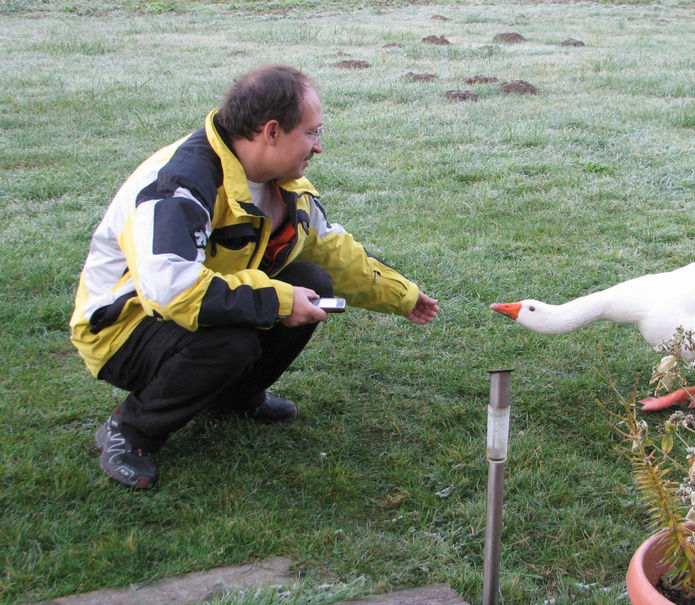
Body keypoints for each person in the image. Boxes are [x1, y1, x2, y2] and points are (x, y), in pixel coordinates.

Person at [70, 64, 440, 490]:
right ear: (271, 131)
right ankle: (131, 431)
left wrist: (403, 295)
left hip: (187, 306)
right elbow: (169, 289)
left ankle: (232, 399)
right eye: (312, 132)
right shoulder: (180, 185)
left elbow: (332, 249)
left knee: (314, 282)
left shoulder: (281, 181)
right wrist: (279, 301)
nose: (318, 147)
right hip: (121, 326)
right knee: (233, 339)